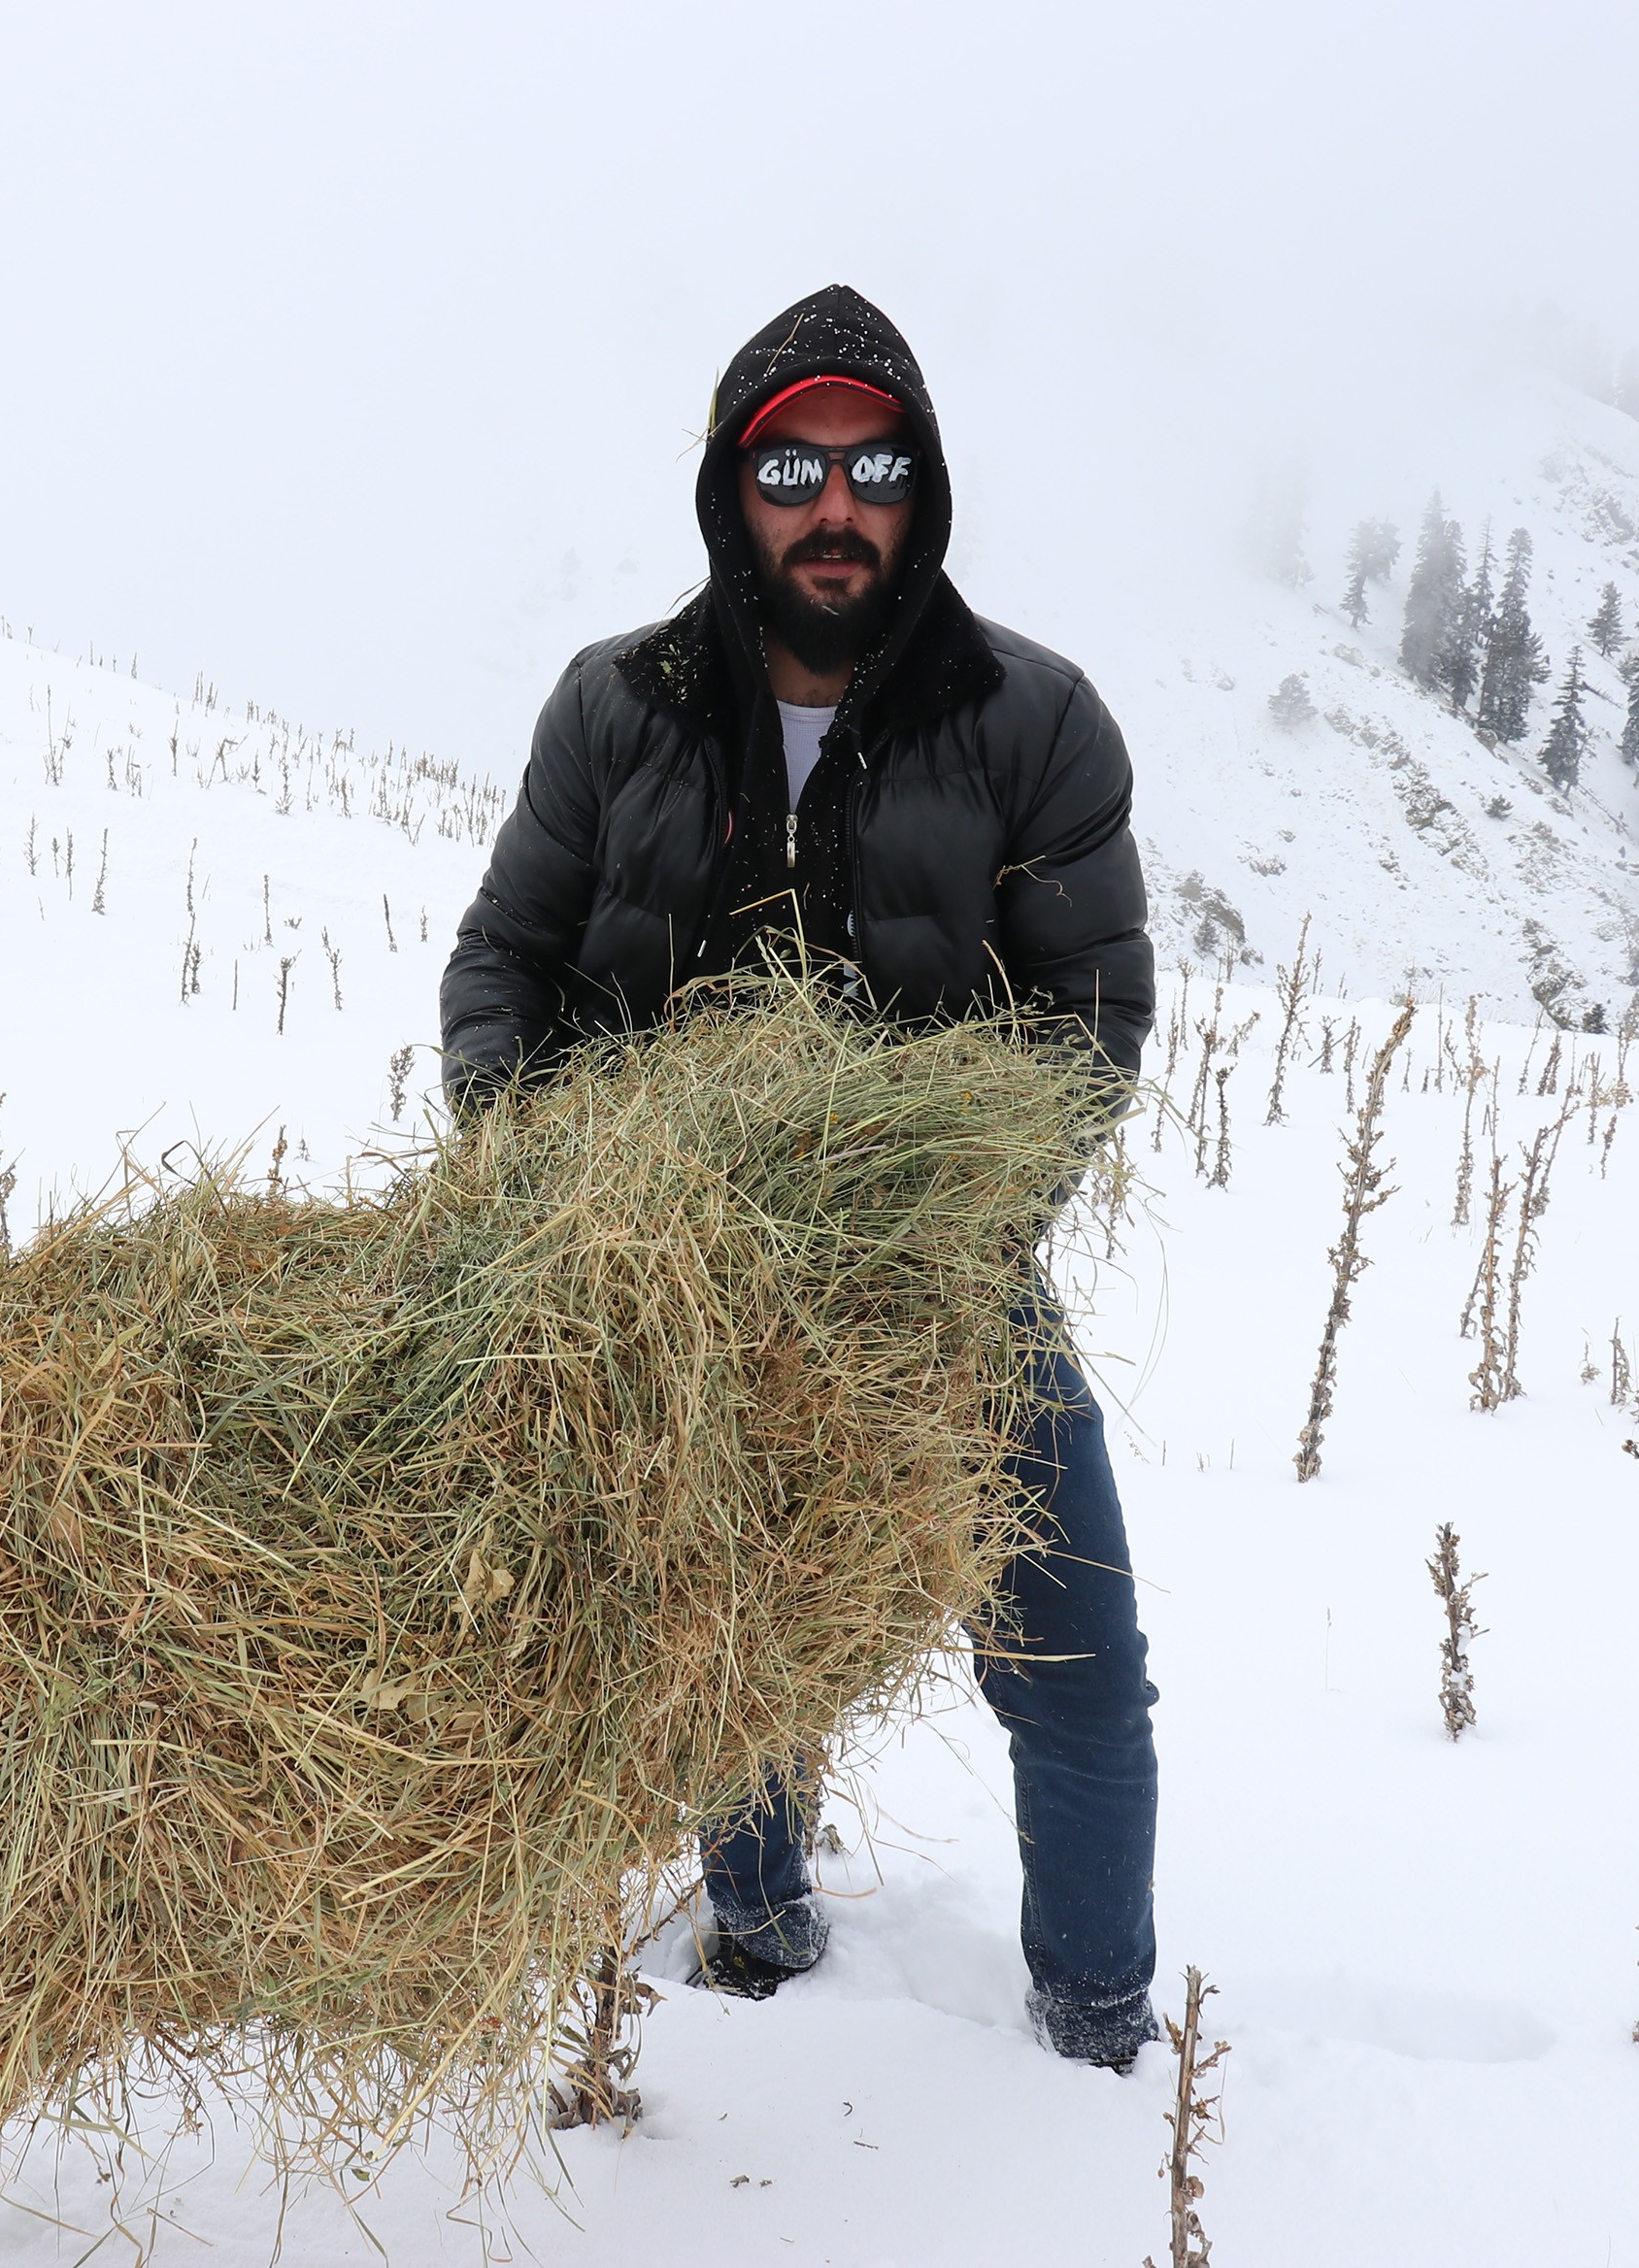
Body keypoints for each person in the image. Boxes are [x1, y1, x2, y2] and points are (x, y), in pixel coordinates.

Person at [437, 285, 1159, 2068]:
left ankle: (1095, 2019)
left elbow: (1089, 1019)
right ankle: (756, 1934)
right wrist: (550, 1201)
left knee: (1073, 1657)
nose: (835, 507)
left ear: (923, 488)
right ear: (731, 489)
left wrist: (935, 1240)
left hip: (943, 1283)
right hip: (668, 1285)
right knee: (720, 1629)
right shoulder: (618, 707)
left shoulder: (1032, 719)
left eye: (874, 467)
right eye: (792, 468)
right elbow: (504, 964)